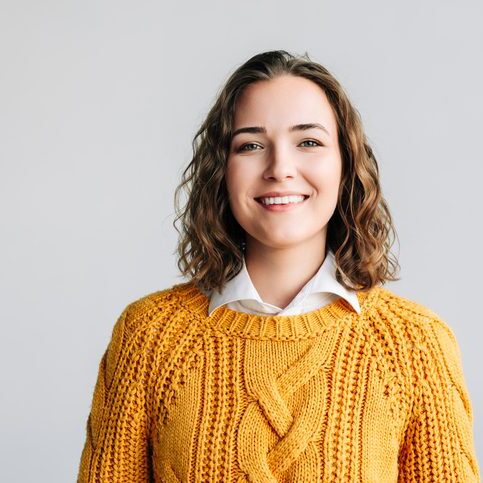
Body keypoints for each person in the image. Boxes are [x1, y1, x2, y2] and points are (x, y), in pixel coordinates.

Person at [77, 50, 480, 482]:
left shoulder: (414, 344)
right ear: (222, 171)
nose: (280, 169)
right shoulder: (150, 336)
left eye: (308, 142)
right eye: (250, 145)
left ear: (345, 164)